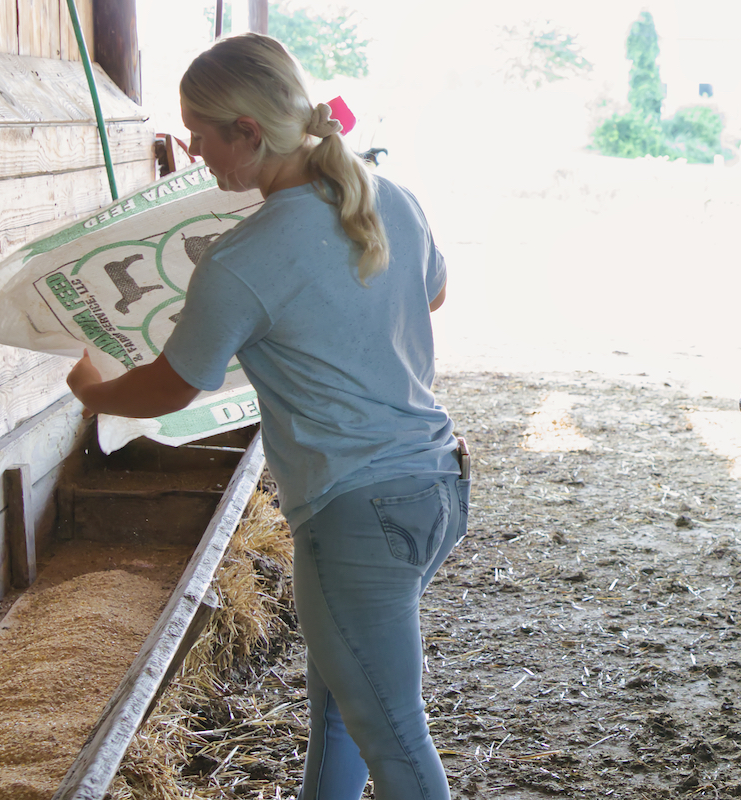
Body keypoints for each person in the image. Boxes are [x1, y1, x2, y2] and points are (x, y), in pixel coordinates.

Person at [65, 32, 468, 800]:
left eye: (200, 134)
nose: (193, 152)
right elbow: (435, 292)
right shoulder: (389, 197)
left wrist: (95, 392)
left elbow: (172, 387)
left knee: (392, 733)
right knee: (344, 705)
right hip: (437, 483)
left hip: (356, 510)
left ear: (247, 132)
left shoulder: (245, 256)